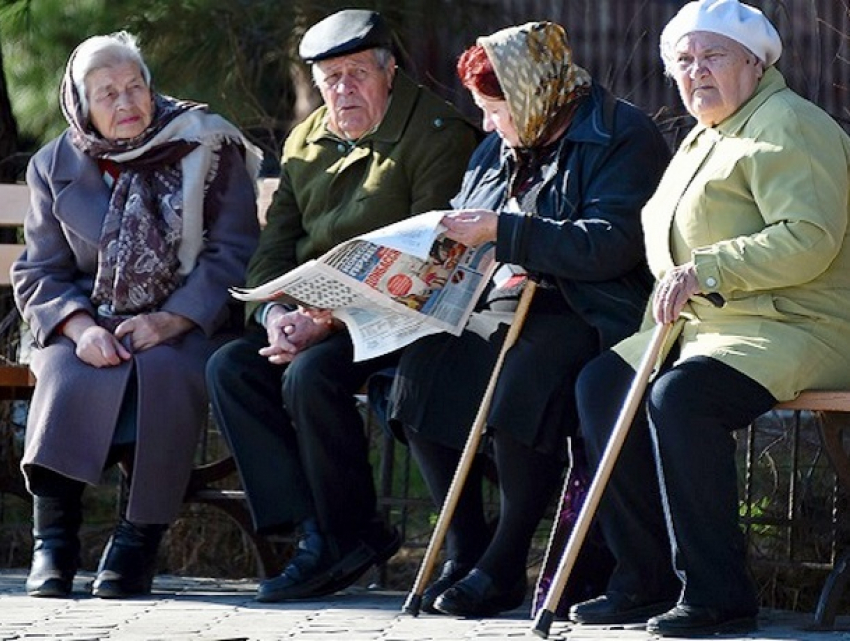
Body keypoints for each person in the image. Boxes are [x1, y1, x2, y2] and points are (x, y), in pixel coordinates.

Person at [568, 0, 850, 636]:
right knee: (602, 384)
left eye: (713, 56)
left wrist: (707, 270)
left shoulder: (787, 125)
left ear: (755, 63)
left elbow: (809, 236)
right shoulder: (708, 132)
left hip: (797, 322)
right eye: (684, 61)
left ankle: (720, 595)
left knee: (682, 398)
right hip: (713, 327)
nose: (696, 72)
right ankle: (645, 579)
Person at [386, 21, 670, 617]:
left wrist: (507, 233)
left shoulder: (622, 135)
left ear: (533, 91)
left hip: (589, 305)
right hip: (503, 298)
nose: (488, 125)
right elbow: (474, 212)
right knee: (421, 373)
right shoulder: (501, 142)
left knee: (523, 385)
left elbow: (612, 243)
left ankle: (506, 561)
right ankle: (465, 548)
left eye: (495, 109)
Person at [205, 9, 479, 603]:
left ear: (389, 71)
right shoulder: (308, 138)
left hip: (405, 317)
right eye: (330, 79)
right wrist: (276, 316)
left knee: (310, 375)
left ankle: (342, 535)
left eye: (357, 74)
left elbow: (435, 259)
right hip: (313, 317)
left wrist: (326, 321)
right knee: (231, 367)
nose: (343, 90)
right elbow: (274, 246)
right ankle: (322, 534)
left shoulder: (438, 133)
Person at [12, 32, 261, 599]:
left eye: (135, 87)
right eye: (107, 94)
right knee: (62, 372)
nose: (126, 104)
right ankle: (53, 541)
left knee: (168, 373)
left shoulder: (205, 143)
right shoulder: (55, 163)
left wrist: (171, 319)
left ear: (151, 89)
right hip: (90, 320)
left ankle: (138, 538)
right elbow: (40, 270)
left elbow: (232, 252)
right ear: (81, 104)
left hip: (188, 320)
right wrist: (79, 328)